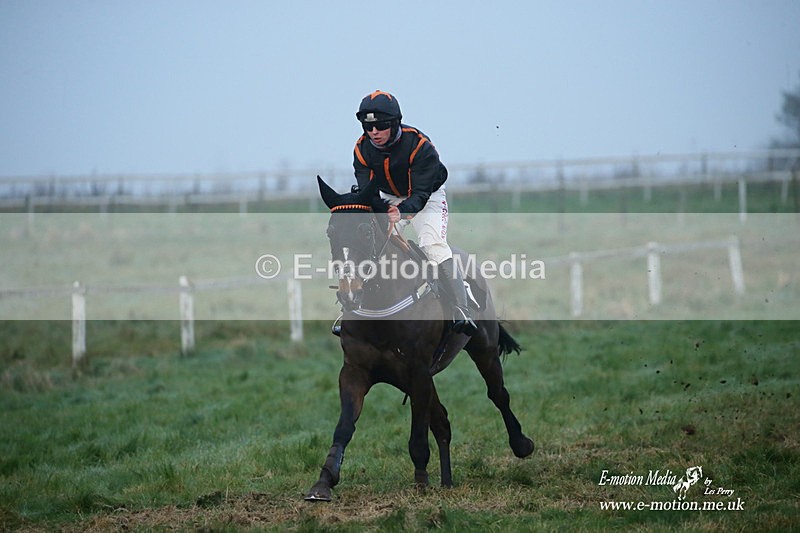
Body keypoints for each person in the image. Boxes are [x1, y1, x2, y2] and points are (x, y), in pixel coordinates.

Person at [343, 89, 477, 336]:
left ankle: (462, 308)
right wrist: (381, 210)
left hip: (427, 197)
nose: (374, 133)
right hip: (388, 197)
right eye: (368, 127)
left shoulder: (420, 146)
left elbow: (420, 196)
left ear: (394, 124)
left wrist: (401, 212)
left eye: (380, 126)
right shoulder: (361, 149)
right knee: (367, 243)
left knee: (432, 244)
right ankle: (350, 309)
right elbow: (366, 191)